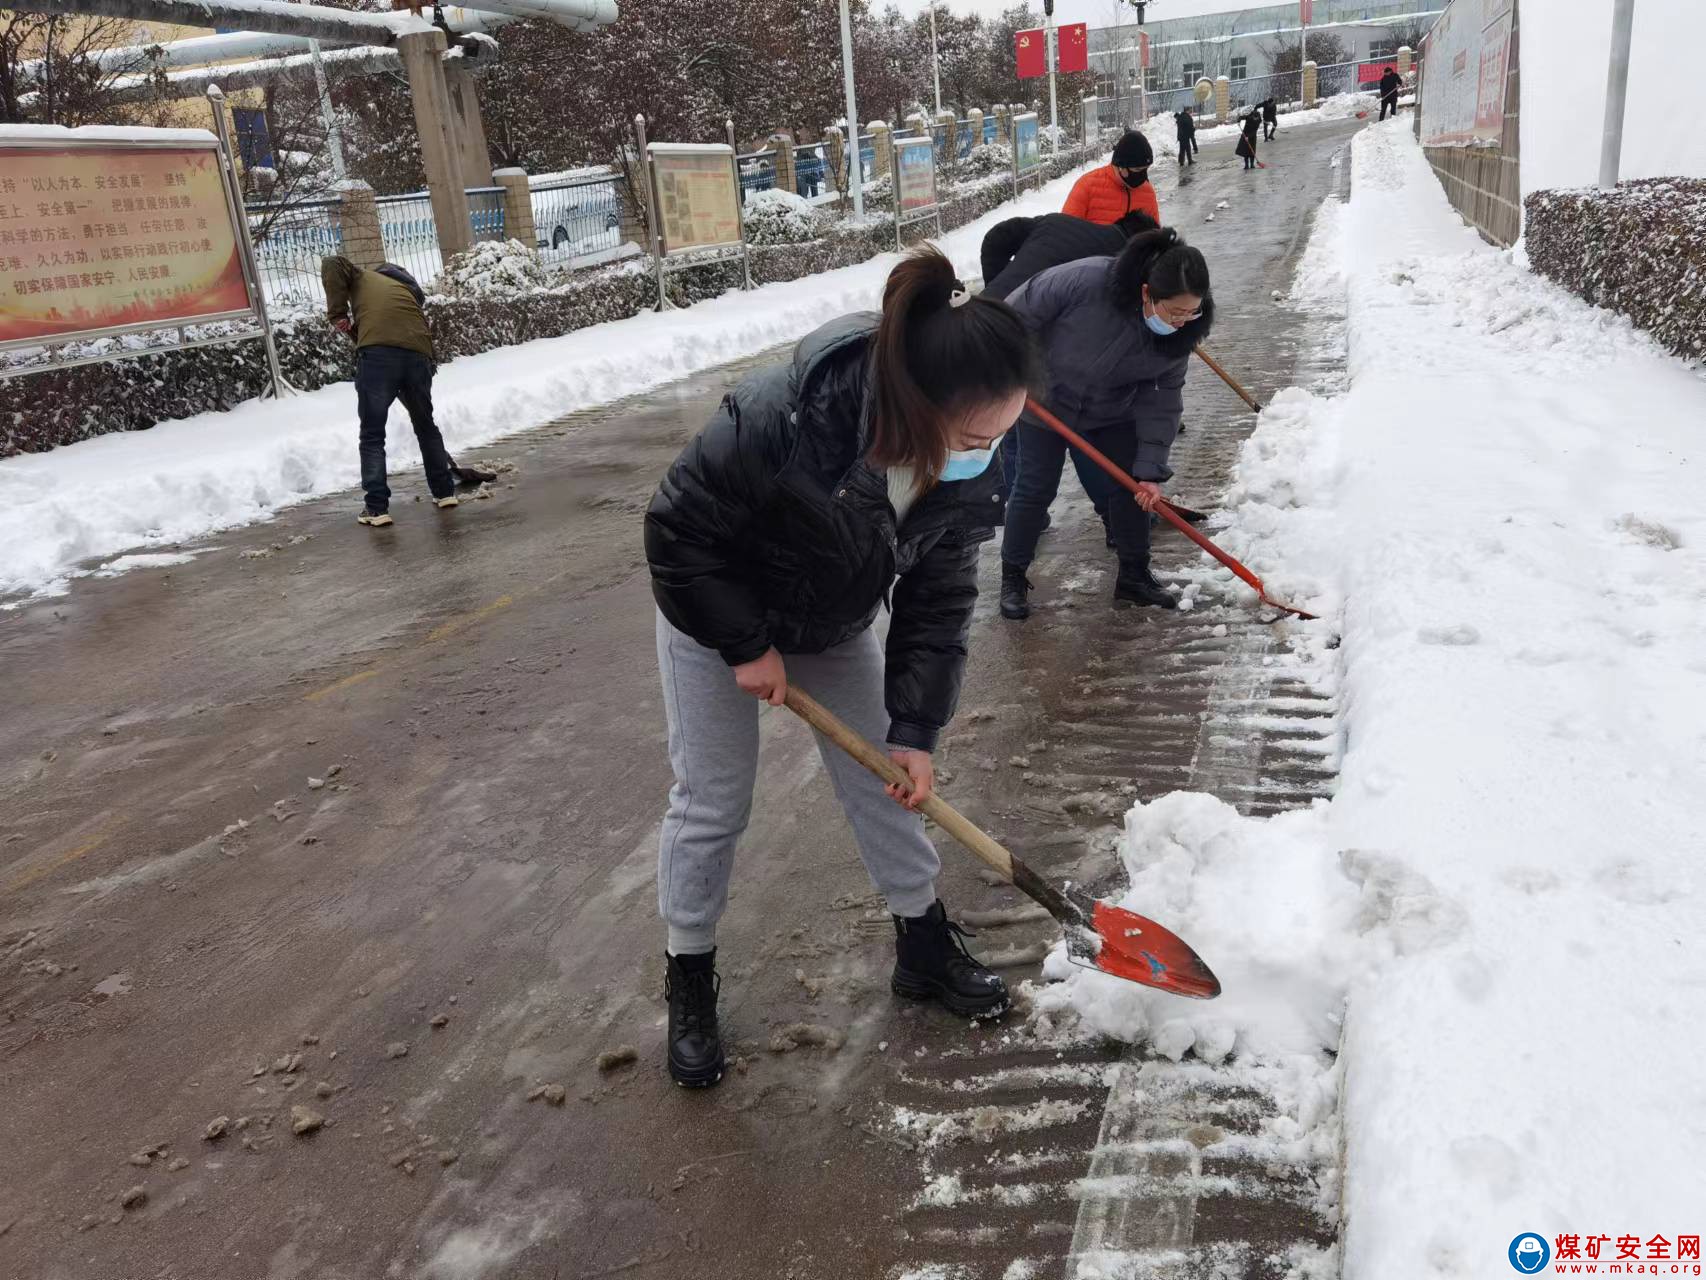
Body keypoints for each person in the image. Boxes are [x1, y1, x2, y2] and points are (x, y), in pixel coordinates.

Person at [643, 246, 1041, 1089]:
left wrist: (917, 726)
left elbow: (938, 597)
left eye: (1003, 435)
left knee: (892, 778)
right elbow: (676, 532)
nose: (989, 453)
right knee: (714, 801)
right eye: (976, 437)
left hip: (830, 617)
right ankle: (689, 973)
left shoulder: (968, 465)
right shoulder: (791, 417)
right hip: (717, 610)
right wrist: (746, 644)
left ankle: (923, 943)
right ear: (921, 402)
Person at [997, 228, 1214, 620]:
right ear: (1147, 293)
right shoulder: (1084, 281)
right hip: (1044, 400)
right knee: (1034, 488)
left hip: (1111, 410)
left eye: (1191, 312)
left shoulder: (1178, 339)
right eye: (1174, 312)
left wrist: (1151, 471)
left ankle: (1134, 576)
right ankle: (1013, 575)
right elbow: (1014, 317)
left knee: (1129, 486)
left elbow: (1162, 401)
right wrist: (1016, 373)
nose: (1182, 322)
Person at [977, 208, 1158, 506]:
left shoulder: (1057, 222)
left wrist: (997, 290)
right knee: (1072, 427)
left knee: (1018, 421)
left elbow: (997, 237)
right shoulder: (1112, 268)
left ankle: (1017, 506)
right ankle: (1111, 513)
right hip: (1019, 340)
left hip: (985, 318)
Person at [321, 256, 457, 528]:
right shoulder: (408, 293)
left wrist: (338, 314)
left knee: (372, 434)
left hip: (380, 358)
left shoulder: (363, 276)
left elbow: (332, 263)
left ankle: (376, 508)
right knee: (425, 425)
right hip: (419, 358)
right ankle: (444, 492)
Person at [1061, 130, 1160, 227]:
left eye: (1145, 169)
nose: (1143, 176)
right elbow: (1066, 231)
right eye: (1137, 169)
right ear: (1121, 166)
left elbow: (1156, 238)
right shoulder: (1087, 186)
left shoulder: (1147, 192)